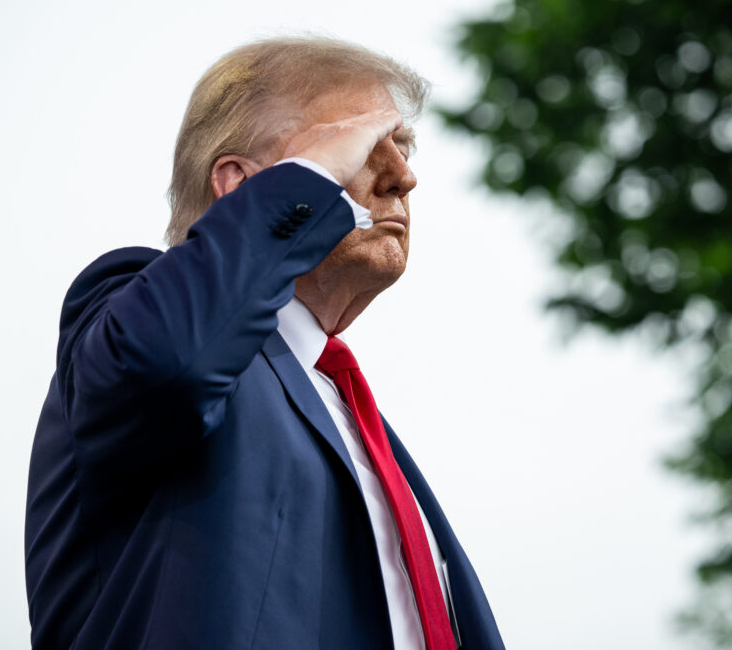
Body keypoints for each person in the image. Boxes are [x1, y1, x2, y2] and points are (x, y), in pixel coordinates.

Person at [25, 36, 504, 650]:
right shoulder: (135, 310)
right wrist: (305, 186)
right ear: (241, 185)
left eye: (403, 147)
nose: (403, 177)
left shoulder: (352, 414)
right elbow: (167, 365)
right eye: (359, 146)